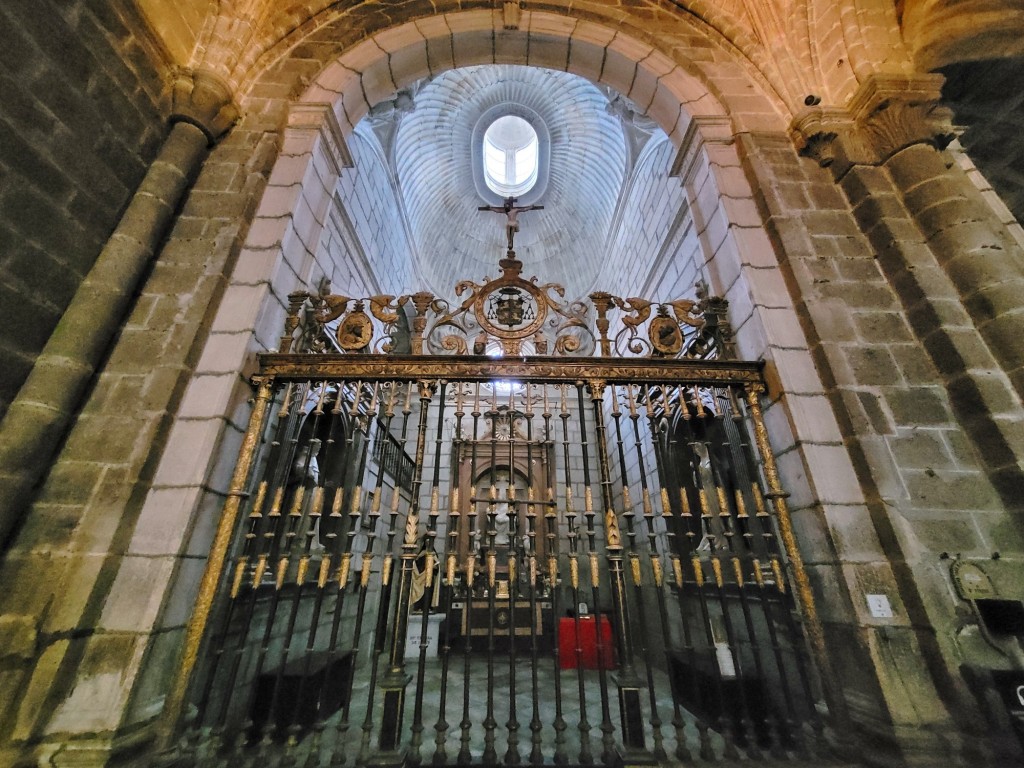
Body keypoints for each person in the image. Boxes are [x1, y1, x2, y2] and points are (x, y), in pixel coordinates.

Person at [478, 196, 544, 251]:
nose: (506, 208)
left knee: (511, 228)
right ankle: (509, 241)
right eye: (505, 207)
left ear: (509, 206)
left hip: (514, 223)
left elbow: (523, 209)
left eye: (507, 207)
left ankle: (510, 241)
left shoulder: (515, 210)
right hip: (510, 223)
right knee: (508, 228)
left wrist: (530, 207)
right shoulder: (506, 211)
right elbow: (498, 210)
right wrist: (490, 208)